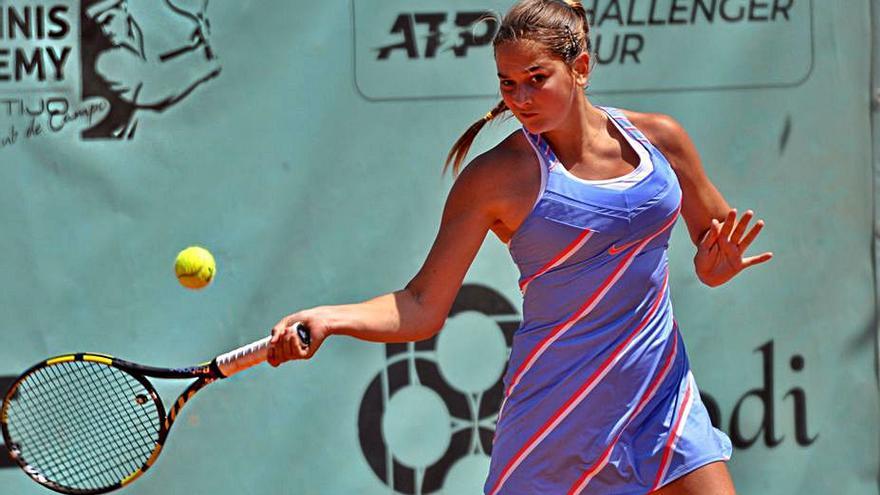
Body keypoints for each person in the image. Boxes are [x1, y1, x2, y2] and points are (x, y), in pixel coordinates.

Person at [266, 0, 772, 493]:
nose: (521, 98)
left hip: (661, 398)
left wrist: (715, 267)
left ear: (581, 68)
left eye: (536, 79)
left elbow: (715, 248)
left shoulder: (661, 139)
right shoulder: (494, 178)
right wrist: (330, 318)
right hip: (556, 421)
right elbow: (420, 305)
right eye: (508, 84)